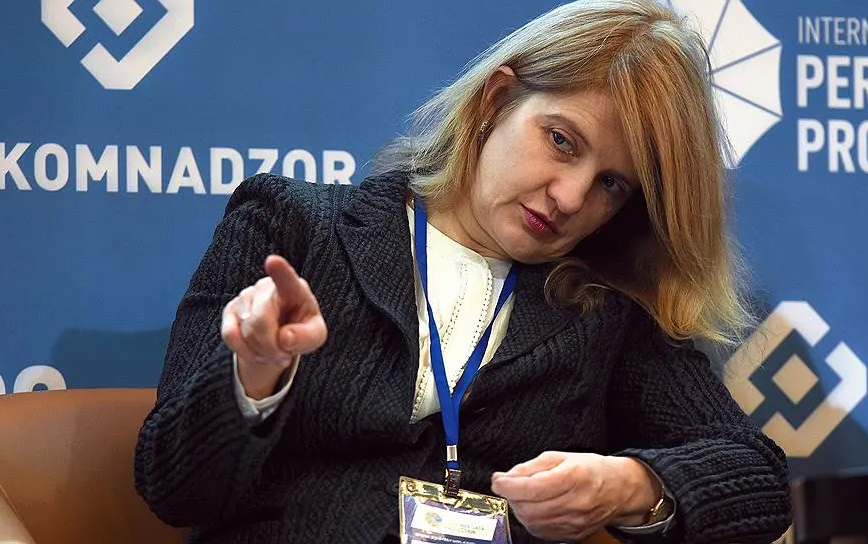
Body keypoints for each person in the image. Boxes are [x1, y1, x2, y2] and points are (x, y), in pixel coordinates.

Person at [134, 0, 793, 542]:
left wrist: (633, 486)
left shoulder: (604, 312)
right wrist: (253, 375)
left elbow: (759, 479)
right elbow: (172, 486)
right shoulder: (293, 227)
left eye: (611, 184)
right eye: (561, 141)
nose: (570, 197)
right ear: (495, 101)